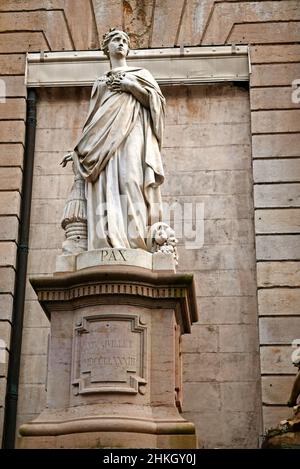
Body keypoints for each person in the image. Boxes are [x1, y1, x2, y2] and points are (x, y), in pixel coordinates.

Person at [61, 28, 165, 251]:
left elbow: (157, 105)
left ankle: (136, 243)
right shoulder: (100, 82)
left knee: (131, 179)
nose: (121, 43)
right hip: (103, 144)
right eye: (116, 40)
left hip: (133, 132)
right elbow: (94, 120)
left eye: (125, 41)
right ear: (106, 49)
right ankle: (107, 241)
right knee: (106, 185)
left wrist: (131, 87)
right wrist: (80, 152)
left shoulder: (141, 74)